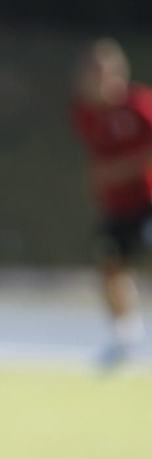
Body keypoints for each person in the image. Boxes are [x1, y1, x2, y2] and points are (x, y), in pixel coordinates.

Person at [70, 37, 152, 369]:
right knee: (109, 265)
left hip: (148, 200)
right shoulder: (85, 112)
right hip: (118, 206)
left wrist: (121, 169)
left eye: (103, 73)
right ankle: (125, 336)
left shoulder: (140, 105)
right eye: (92, 73)